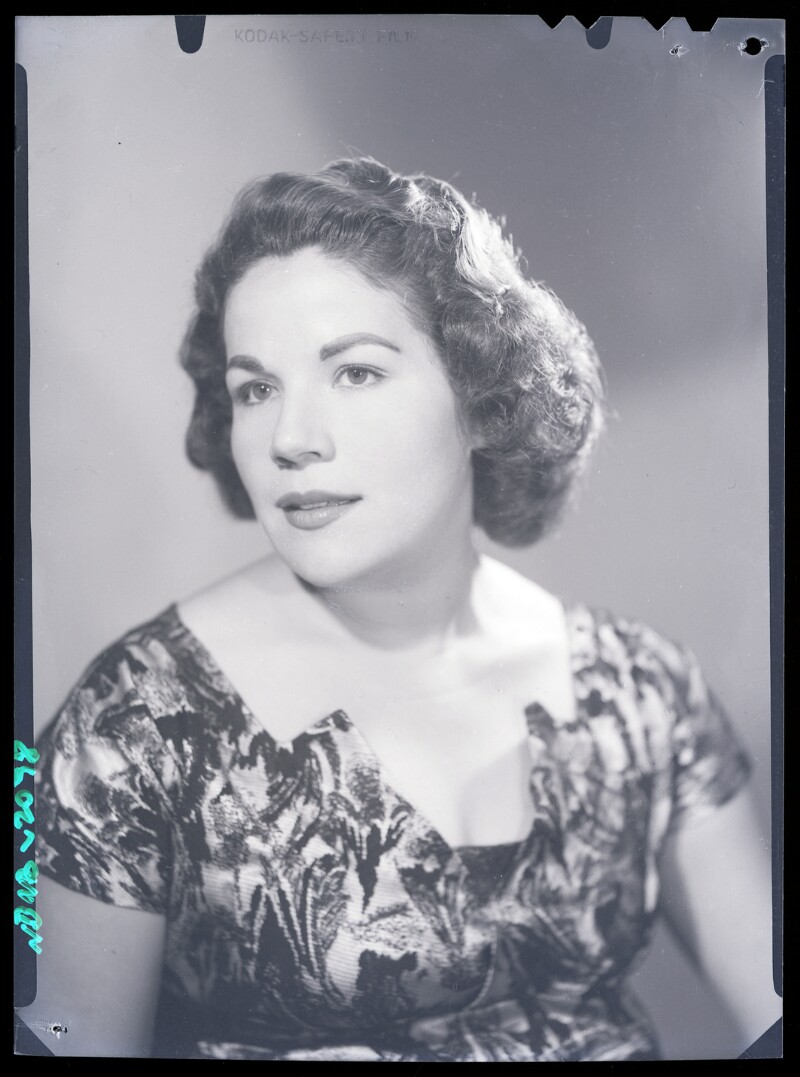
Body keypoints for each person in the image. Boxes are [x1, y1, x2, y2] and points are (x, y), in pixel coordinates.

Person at [22, 158, 780, 1060]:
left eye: (355, 373)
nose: (292, 438)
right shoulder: (132, 725)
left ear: (483, 395)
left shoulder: (641, 691)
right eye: (255, 388)